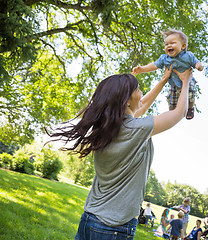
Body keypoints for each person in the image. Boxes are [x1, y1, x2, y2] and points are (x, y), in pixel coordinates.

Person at [46, 66, 193, 240]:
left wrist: (162, 81)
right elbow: (179, 112)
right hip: (113, 227)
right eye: (137, 89)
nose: (141, 93)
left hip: (89, 218)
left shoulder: (105, 128)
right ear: (126, 100)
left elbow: (142, 105)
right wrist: (186, 81)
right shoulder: (136, 129)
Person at [132, 29, 203, 120]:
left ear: (183, 46)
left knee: (191, 93)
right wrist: (142, 69)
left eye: (172, 43)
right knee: (171, 99)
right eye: (166, 44)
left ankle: (190, 108)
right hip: (173, 84)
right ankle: (172, 112)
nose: (169, 45)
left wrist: (199, 66)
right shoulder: (164, 58)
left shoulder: (188, 55)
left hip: (188, 82)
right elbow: (154, 65)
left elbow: (196, 62)